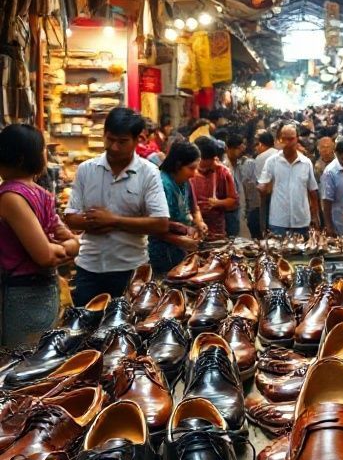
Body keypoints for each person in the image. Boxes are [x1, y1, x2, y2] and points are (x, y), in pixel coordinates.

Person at [65, 107, 170, 305]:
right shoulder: (86, 170)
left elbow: (161, 223)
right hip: (89, 269)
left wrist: (114, 220)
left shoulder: (149, 173)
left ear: (138, 139)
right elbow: (70, 217)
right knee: (85, 327)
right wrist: (95, 222)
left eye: (122, 142)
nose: (114, 147)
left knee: (128, 329)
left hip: (130, 270)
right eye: (110, 139)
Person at [0, 125, 79, 345]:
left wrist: (57, 249)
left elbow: (44, 255)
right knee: (39, 361)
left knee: (20, 364)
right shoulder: (41, 194)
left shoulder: (10, 196)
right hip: (43, 288)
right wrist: (65, 248)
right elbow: (69, 242)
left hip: (22, 294)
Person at [149, 142, 208, 274]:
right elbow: (154, 226)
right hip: (163, 250)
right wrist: (180, 240)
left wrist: (199, 222)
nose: (194, 174)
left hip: (182, 246)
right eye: (191, 168)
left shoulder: (185, 181)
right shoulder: (162, 184)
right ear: (178, 165)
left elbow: (194, 207)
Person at [258, 124, 320, 237]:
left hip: (302, 221)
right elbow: (263, 185)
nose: (287, 142)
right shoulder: (271, 162)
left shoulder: (306, 163)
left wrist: (315, 216)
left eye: (291, 139)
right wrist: (263, 188)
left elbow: (312, 191)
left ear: (297, 139)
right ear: (279, 139)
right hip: (278, 221)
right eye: (284, 139)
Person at [190, 136, 238, 241]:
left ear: (214, 158)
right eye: (202, 166)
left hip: (216, 230)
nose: (205, 170)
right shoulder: (188, 171)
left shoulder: (223, 172)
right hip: (192, 229)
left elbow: (234, 201)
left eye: (209, 166)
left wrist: (218, 203)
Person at [320, 137, 343, 237]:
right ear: (337, 154)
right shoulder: (330, 172)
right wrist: (329, 226)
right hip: (338, 224)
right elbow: (326, 202)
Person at [248, 130, 279, 238]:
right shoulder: (279, 153)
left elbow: (262, 183)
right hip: (282, 195)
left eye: (256, 145)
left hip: (268, 196)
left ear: (260, 144)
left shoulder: (261, 158)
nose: (256, 148)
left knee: (267, 224)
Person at [223, 133, 247, 238]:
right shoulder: (223, 166)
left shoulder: (238, 164)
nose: (240, 152)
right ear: (229, 148)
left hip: (237, 209)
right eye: (237, 149)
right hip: (227, 211)